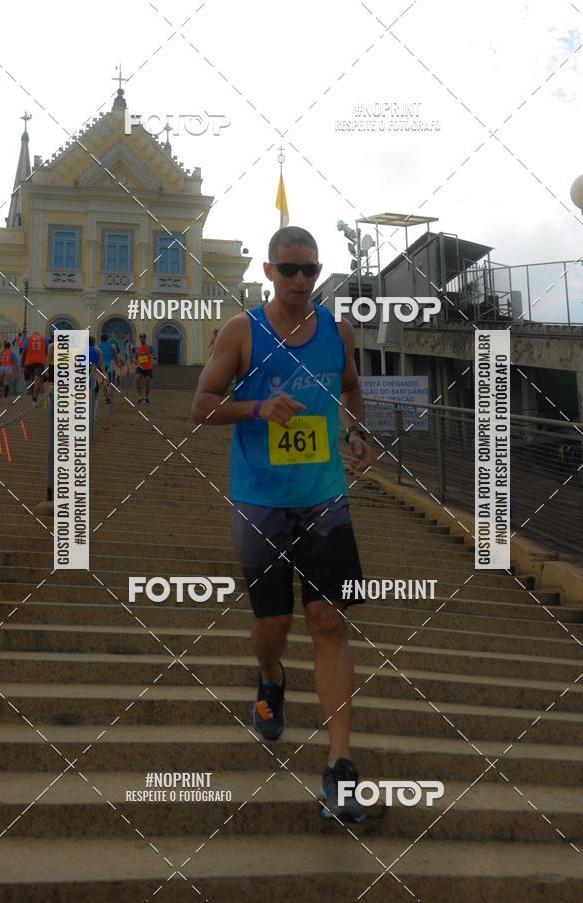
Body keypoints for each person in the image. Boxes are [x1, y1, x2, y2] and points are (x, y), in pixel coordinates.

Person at [191, 226, 375, 824]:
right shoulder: (242, 331)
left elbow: (351, 389)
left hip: (324, 498)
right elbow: (201, 405)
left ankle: (340, 765)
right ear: (269, 271)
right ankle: (270, 679)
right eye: (289, 269)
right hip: (260, 501)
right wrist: (257, 407)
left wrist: (354, 431)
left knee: (329, 621)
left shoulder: (337, 332)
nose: (300, 280)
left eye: (310, 270)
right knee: (273, 623)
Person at [20, 330, 47, 403]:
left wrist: (21, 364)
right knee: (37, 380)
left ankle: (34, 398)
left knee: (33, 380)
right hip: (39, 362)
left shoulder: (27, 339)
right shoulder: (44, 339)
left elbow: (24, 352)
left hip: (28, 363)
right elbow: (47, 351)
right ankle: (34, 399)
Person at [135, 333, 156, 404]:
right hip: (140, 366)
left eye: (143, 338)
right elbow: (136, 357)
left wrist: (151, 356)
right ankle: (140, 396)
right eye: (141, 338)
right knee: (137, 379)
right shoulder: (138, 348)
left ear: (145, 339)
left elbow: (155, 356)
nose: (142, 339)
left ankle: (146, 397)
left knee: (147, 383)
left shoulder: (150, 347)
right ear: (139, 339)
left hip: (148, 367)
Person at [98, 332, 118, 403]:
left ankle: (105, 396)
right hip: (111, 365)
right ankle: (108, 394)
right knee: (110, 381)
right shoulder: (112, 346)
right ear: (107, 339)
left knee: (104, 380)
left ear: (101, 339)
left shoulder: (98, 346)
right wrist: (117, 363)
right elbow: (116, 355)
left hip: (102, 366)